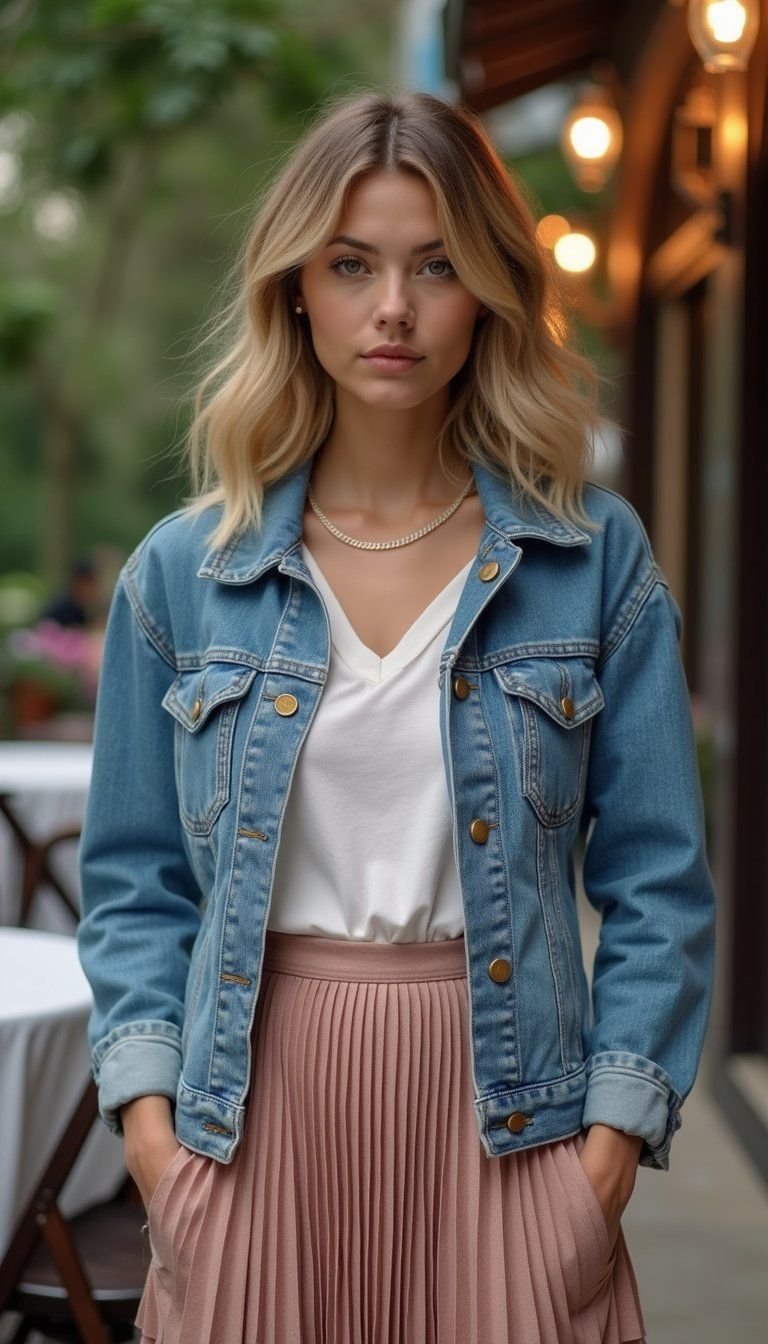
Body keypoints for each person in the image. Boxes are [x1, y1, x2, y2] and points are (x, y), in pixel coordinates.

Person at [76, 88, 716, 1344]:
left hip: (509, 1123)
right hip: (252, 1121)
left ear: (486, 291)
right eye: (351, 264)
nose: (392, 309)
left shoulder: (593, 559)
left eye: (436, 267)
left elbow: (660, 882)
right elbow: (136, 883)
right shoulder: (182, 575)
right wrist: (157, 1149)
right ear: (294, 290)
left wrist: (606, 1155)